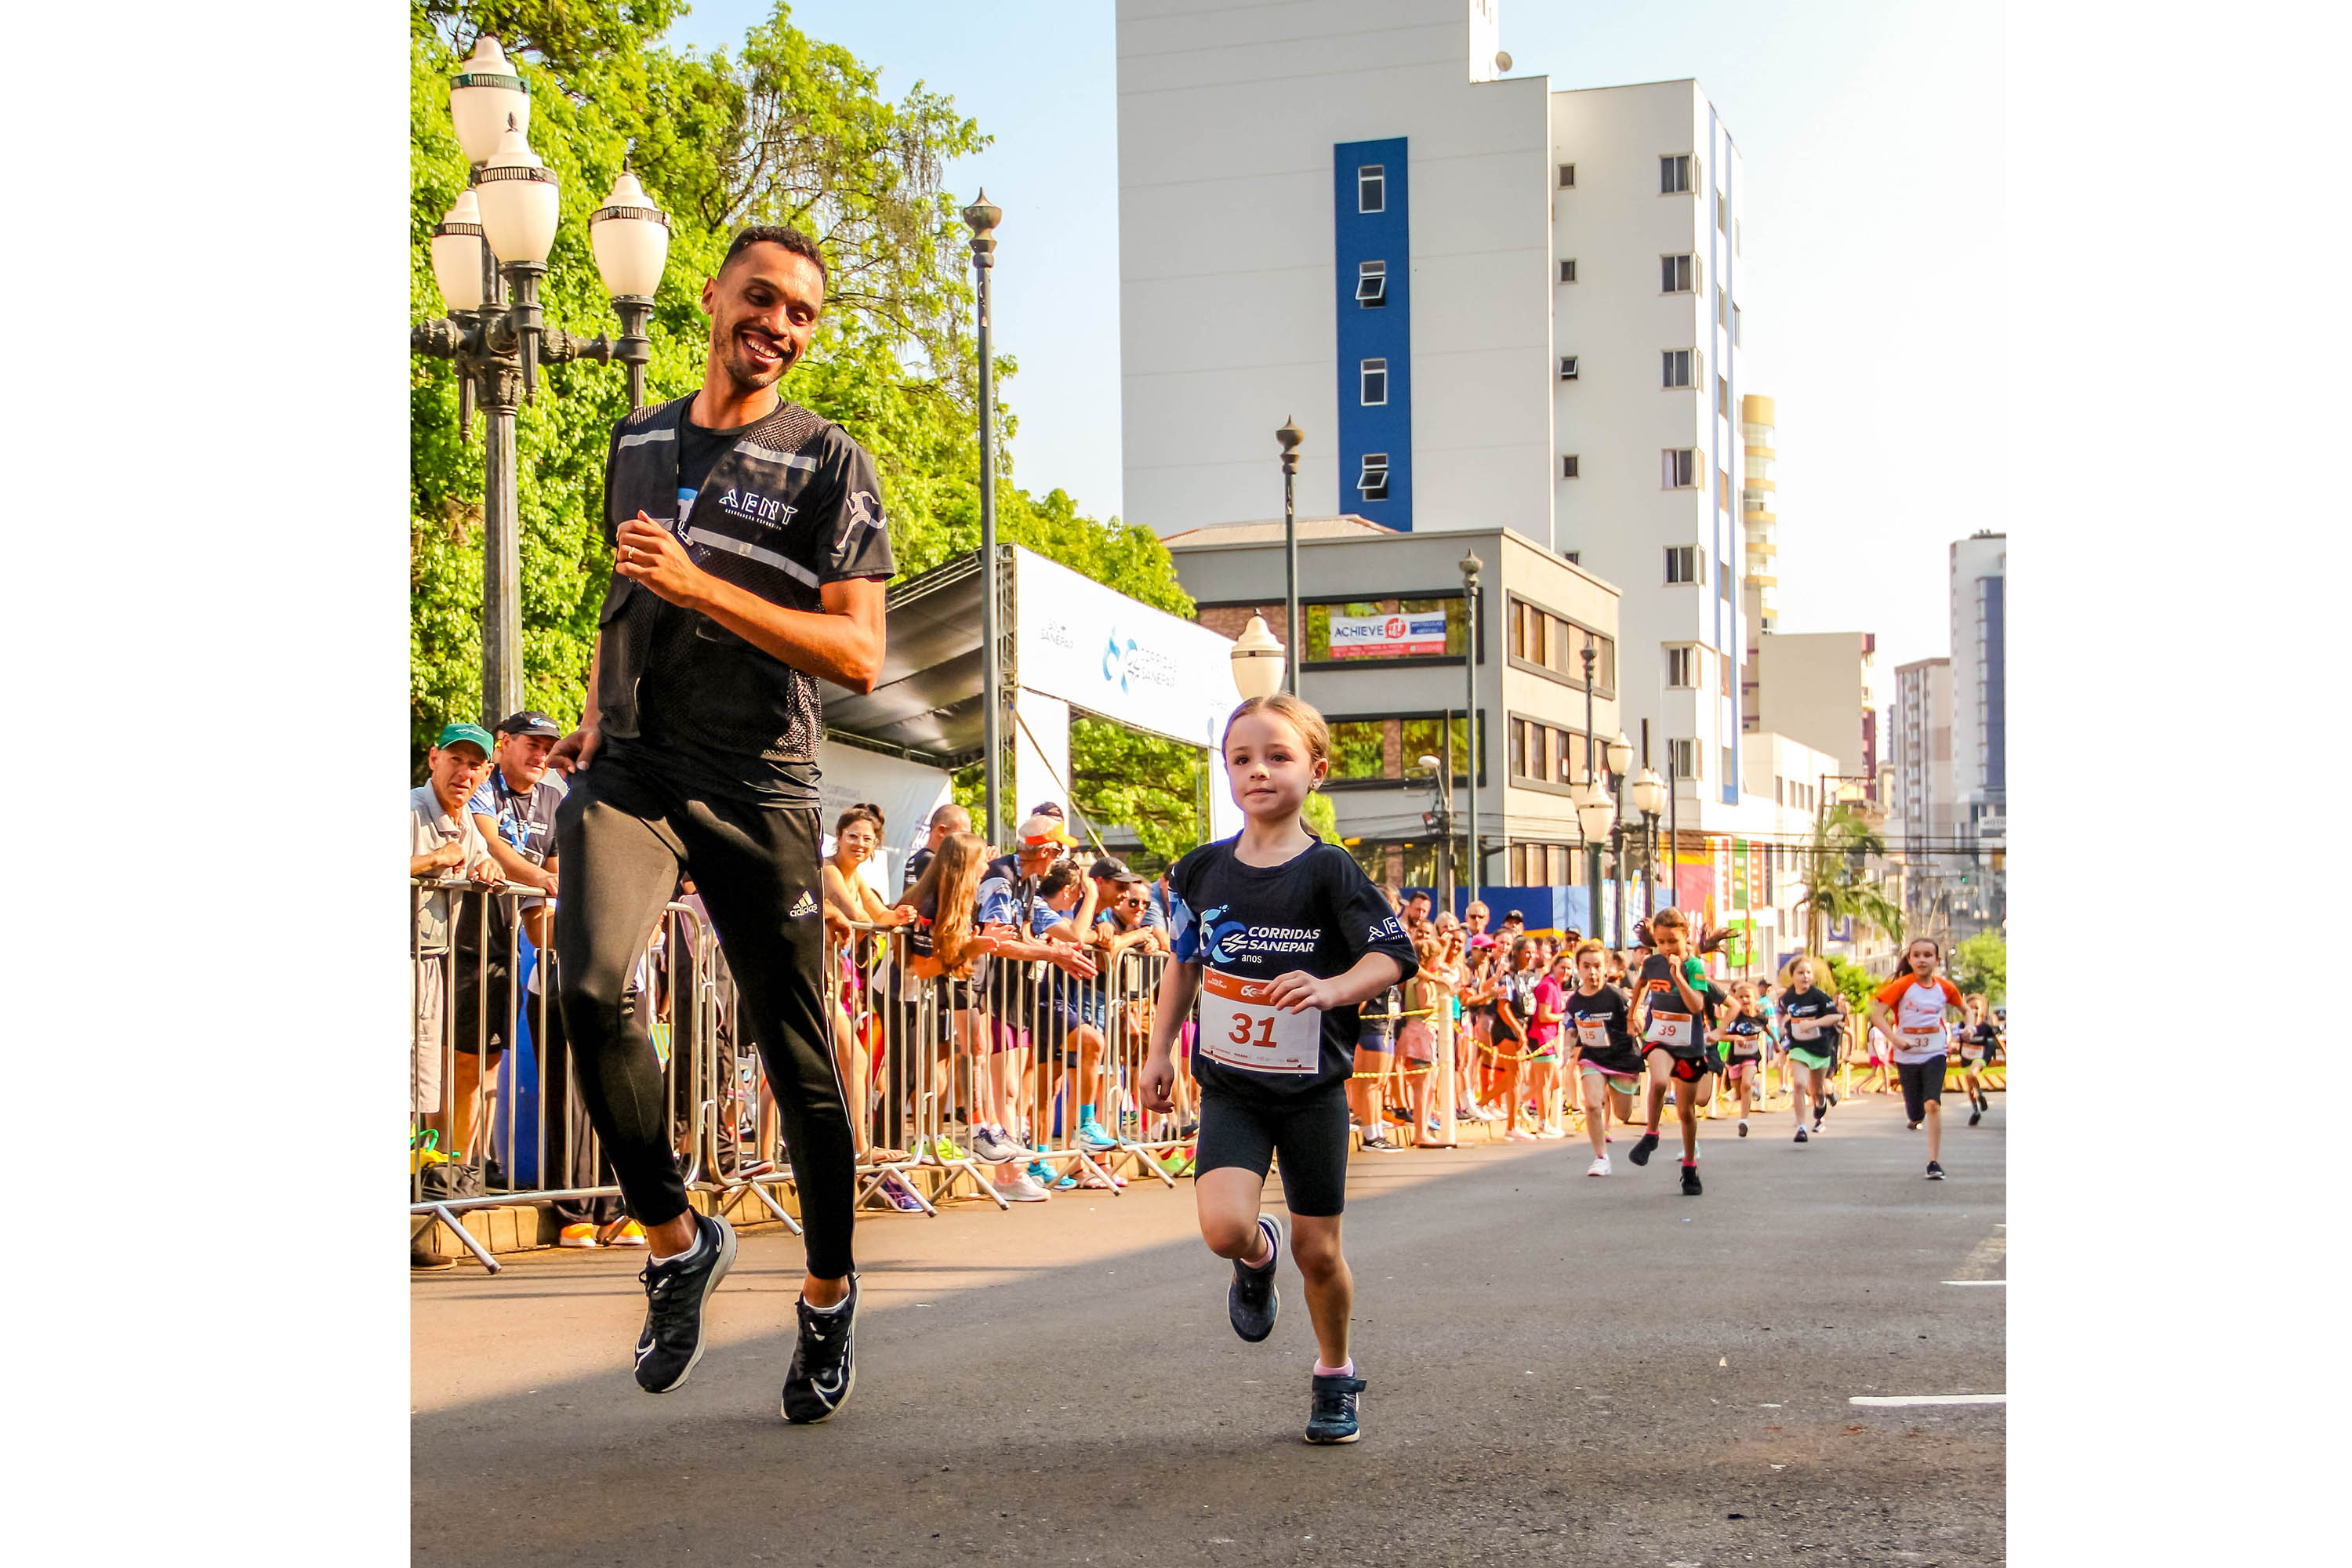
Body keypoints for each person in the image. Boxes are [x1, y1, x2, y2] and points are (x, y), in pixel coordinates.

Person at [546, 223, 895, 1418]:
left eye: (802, 312)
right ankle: (674, 1242)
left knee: (797, 1058)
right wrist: (599, 707)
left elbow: (857, 653)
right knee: (587, 989)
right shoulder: (639, 438)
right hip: (636, 766)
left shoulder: (831, 464)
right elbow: (620, 590)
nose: (780, 325)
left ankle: (829, 1295)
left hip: (760, 781)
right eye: (762, 299)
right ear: (711, 298)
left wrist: (706, 586)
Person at [1140, 694, 1415, 1445]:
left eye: (1278, 756)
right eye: (1241, 758)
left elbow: (1392, 956)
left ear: (1316, 771)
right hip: (1231, 1083)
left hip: (1311, 1091)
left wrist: (1332, 988)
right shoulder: (1198, 870)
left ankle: (1335, 1374)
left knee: (1319, 1250)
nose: (1257, 771)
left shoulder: (1330, 870)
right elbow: (1184, 964)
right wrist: (1159, 1050)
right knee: (1225, 1228)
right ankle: (1253, 1258)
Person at [410, 722, 506, 1178]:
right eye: (455, 759)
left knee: (419, 1085)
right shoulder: (409, 810)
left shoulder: (465, 821)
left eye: (474, 764)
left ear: (487, 772)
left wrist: (484, 862)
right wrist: (433, 860)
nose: (464, 772)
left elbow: (480, 856)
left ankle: (422, 1193)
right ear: (434, 759)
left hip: (429, 963)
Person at [821, 804, 915, 1165]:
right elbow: (859, 916)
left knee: (847, 1062)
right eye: (853, 837)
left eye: (867, 838)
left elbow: (879, 916)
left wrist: (900, 915)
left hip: (834, 980)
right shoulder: (829, 871)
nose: (860, 844)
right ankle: (860, 1148)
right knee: (854, 1061)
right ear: (840, 837)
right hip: (818, 979)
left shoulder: (855, 876)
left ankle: (857, 1146)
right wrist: (885, 921)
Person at [1627, 908, 1715, 1196]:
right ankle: (1651, 1134)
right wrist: (1632, 1016)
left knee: (1686, 1112)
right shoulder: (1652, 964)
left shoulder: (1695, 968)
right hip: (1660, 1036)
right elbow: (1639, 987)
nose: (1666, 948)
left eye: (1672, 941)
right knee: (1660, 1081)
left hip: (1689, 1044)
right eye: (1661, 942)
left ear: (1686, 937)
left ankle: (1689, 1166)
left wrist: (1678, 976)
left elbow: (1696, 1006)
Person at [1870, 938, 1967, 1179]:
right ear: (1910, 960)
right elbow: (1877, 1016)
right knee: (1916, 1111)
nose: (1922, 959)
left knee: (1932, 1103)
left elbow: (1967, 1010)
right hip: (1907, 1054)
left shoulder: (1945, 987)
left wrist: (1970, 1028)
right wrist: (1895, 1039)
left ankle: (1934, 1162)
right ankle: (1914, 1118)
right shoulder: (1902, 986)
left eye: (1927, 955)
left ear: (1937, 960)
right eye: (1917, 955)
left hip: (1935, 1051)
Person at [1565, 938, 1641, 1175]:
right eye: (1586, 966)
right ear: (1578, 968)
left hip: (1622, 1058)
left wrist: (1635, 1024)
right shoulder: (1574, 1001)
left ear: (1606, 968)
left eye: (1597, 966)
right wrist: (1567, 1051)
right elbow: (1571, 1029)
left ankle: (1613, 1093)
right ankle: (1601, 1158)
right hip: (1592, 1056)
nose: (1592, 972)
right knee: (1592, 1104)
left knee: (1622, 1114)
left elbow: (1638, 1022)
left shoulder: (1617, 996)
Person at [1776, 956, 1845, 1142]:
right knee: (1799, 1084)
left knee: (1817, 1090)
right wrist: (1782, 1026)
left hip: (1820, 1047)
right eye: (1800, 973)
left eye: (1808, 973)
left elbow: (1835, 1017)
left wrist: (1812, 1023)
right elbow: (1785, 1015)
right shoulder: (1787, 998)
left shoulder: (1819, 996)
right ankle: (1801, 1127)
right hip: (1799, 1047)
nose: (1805, 976)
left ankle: (1821, 1103)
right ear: (1793, 977)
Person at [1714, 980, 1769, 1138]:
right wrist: (1735, 1038)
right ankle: (1748, 1091)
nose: (1744, 1000)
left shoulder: (1760, 1017)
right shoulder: (1733, 1017)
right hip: (1734, 1059)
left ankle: (1744, 1120)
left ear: (1755, 998)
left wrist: (1778, 1044)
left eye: (1747, 997)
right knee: (1737, 1090)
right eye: (1740, 997)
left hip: (1751, 1057)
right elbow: (1720, 1035)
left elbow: (1766, 1029)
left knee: (1746, 1085)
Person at [901, 801, 971, 896]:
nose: (966, 841)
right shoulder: (931, 861)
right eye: (962, 835)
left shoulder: (918, 858)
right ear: (941, 830)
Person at [1957, 993, 2002, 1125]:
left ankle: (1981, 1095)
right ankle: (1976, 1111)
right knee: (1969, 1088)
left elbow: (1997, 1040)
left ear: (1982, 1010)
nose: (1974, 1011)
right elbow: (1955, 1040)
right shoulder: (1961, 1026)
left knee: (1972, 1074)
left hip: (1981, 1057)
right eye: (1970, 1008)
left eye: (1976, 1008)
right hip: (1966, 1059)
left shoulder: (1985, 1027)